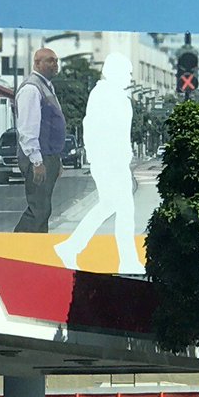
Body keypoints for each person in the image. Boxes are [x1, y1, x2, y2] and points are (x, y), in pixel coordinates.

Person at [53, 52, 143, 273]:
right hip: (108, 162)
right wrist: (97, 158)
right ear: (114, 72)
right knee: (124, 209)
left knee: (110, 206)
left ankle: (71, 247)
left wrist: (126, 156)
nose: (130, 78)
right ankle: (128, 261)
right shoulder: (102, 94)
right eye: (127, 73)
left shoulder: (119, 97)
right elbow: (91, 127)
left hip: (117, 162)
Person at [13, 47, 66, 233]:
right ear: (37, 63)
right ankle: (15, 249)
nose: (55, 65)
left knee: (43, 209)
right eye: (50, 60)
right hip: (38, 157)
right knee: (39, 209)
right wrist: (37, 161)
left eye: (56, 61)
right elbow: (27, 129)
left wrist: (56, 160)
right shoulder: (31, 89)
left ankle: (36, 249)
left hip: (48, 156)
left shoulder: (45, 86)